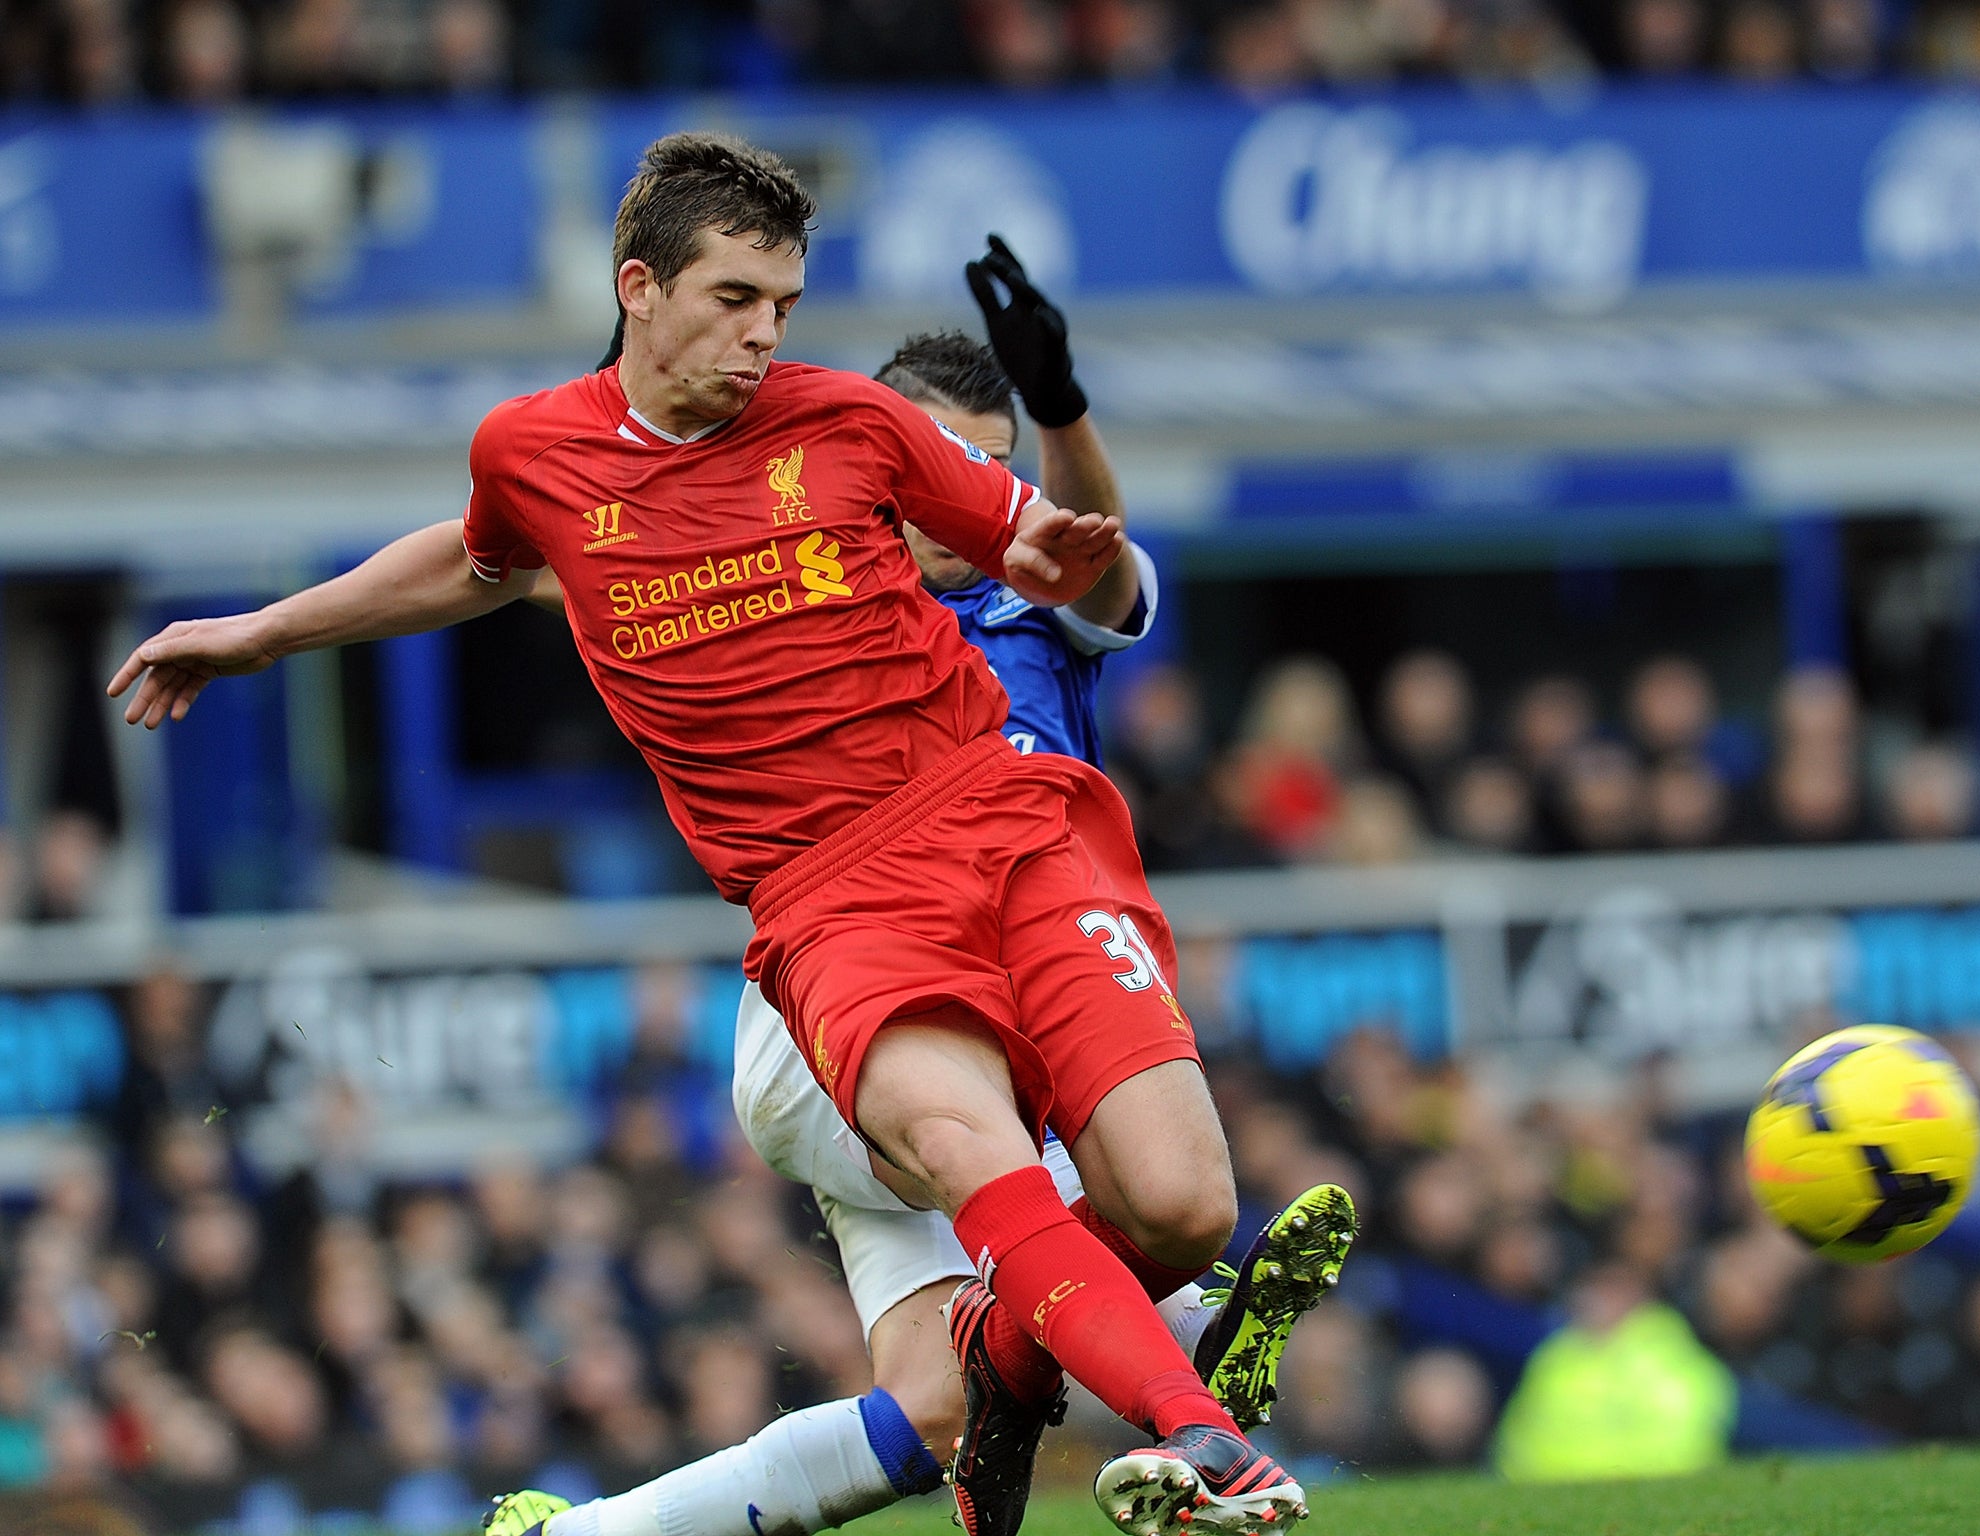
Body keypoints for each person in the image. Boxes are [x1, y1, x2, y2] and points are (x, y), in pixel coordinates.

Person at [108, 134, 1313, 1536]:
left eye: (785, 307)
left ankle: (991, 1361)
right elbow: (474, 558)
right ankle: (1209, 1439)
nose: (764, 336)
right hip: (830, 908)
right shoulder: (537, 454)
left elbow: (1068, 553)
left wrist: (1056, 534)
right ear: (639, 286)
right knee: (979, 1153)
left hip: (1007, 827)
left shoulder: (852, 429)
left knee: (1173, 1214)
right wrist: (262, 631)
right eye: (736, 298)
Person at [506, 306, 1354, 1536]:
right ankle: (1189, 1343)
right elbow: (564, 557)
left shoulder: (1033, 605)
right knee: (1086, 1192)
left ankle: (574, 1535)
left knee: (930, 1410)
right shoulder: (786, 591)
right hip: (833, 1012)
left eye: (988, 468)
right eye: (934, 461)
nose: (965, 493)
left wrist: (1061, 406)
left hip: (989, 990)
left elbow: (1101, 563)